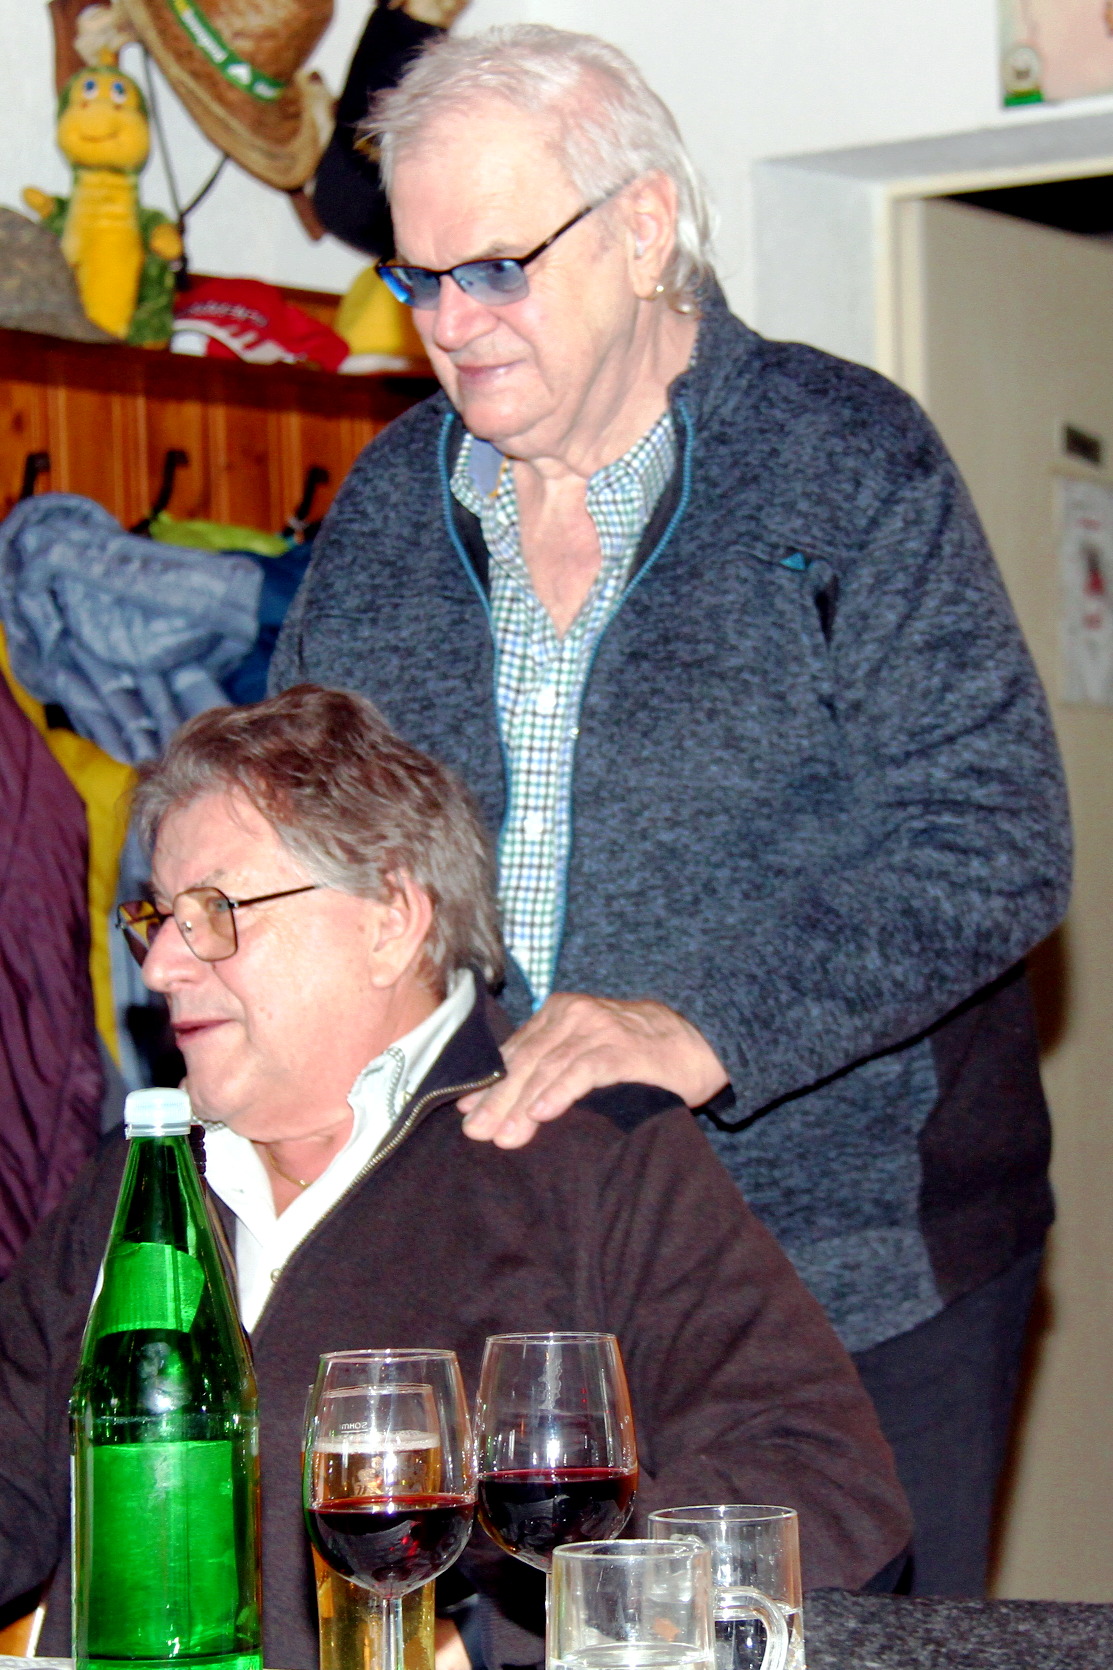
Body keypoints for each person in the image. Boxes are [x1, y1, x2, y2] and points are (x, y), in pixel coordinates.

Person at [268, 26, 1073, 1595]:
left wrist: (701, 1022)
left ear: (642, 229)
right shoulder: (385, 510)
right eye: (419, 279)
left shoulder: (847, 464)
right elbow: (309, 838)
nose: (450, 324)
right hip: (505, 1284)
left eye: (494, 267)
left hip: (851, 1273)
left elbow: (993, 832)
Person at [0, 685, 910, 1670]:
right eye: (158, 917)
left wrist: (521, 1624)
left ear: (390, 919)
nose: (161, 966)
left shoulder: (590, 1159)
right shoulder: (136, 1184)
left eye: (215, 911)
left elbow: (825, 1487)